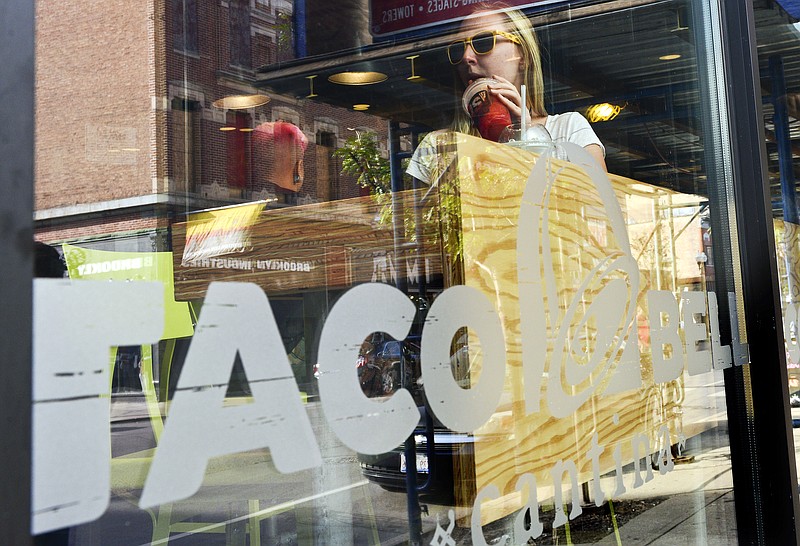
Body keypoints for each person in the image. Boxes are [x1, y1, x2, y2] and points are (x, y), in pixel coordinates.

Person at [407, 4, 607, 185]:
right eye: (459, 48)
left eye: (484, 41)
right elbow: (418, 221)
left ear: (523, 56)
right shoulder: (438, 145)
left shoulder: (568, 129)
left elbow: (599, 209)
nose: (466, 57)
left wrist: (528, 136)